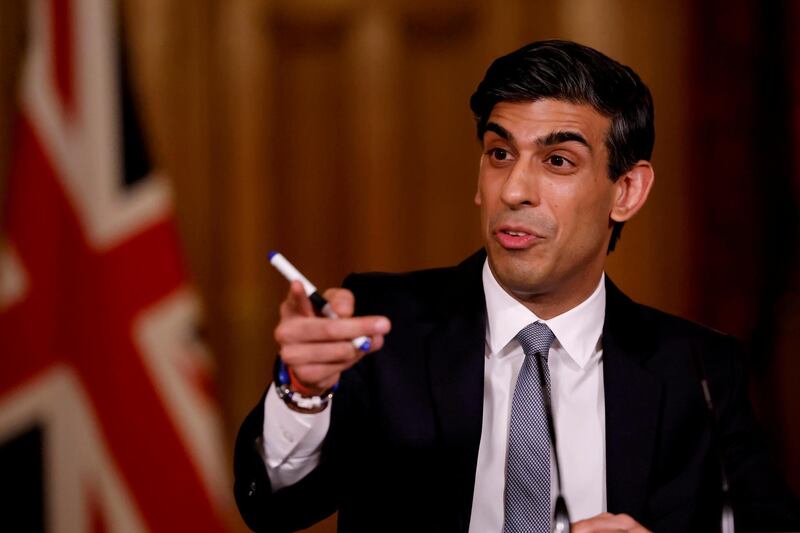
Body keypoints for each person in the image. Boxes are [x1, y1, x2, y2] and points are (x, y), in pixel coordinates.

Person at [234, 40, 800, 532]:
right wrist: (303, 393)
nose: (514, 190)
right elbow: (274, 507)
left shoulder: (698, 369)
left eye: (557, 161)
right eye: (500, 154)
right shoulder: (383, 328)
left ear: (627, 191)